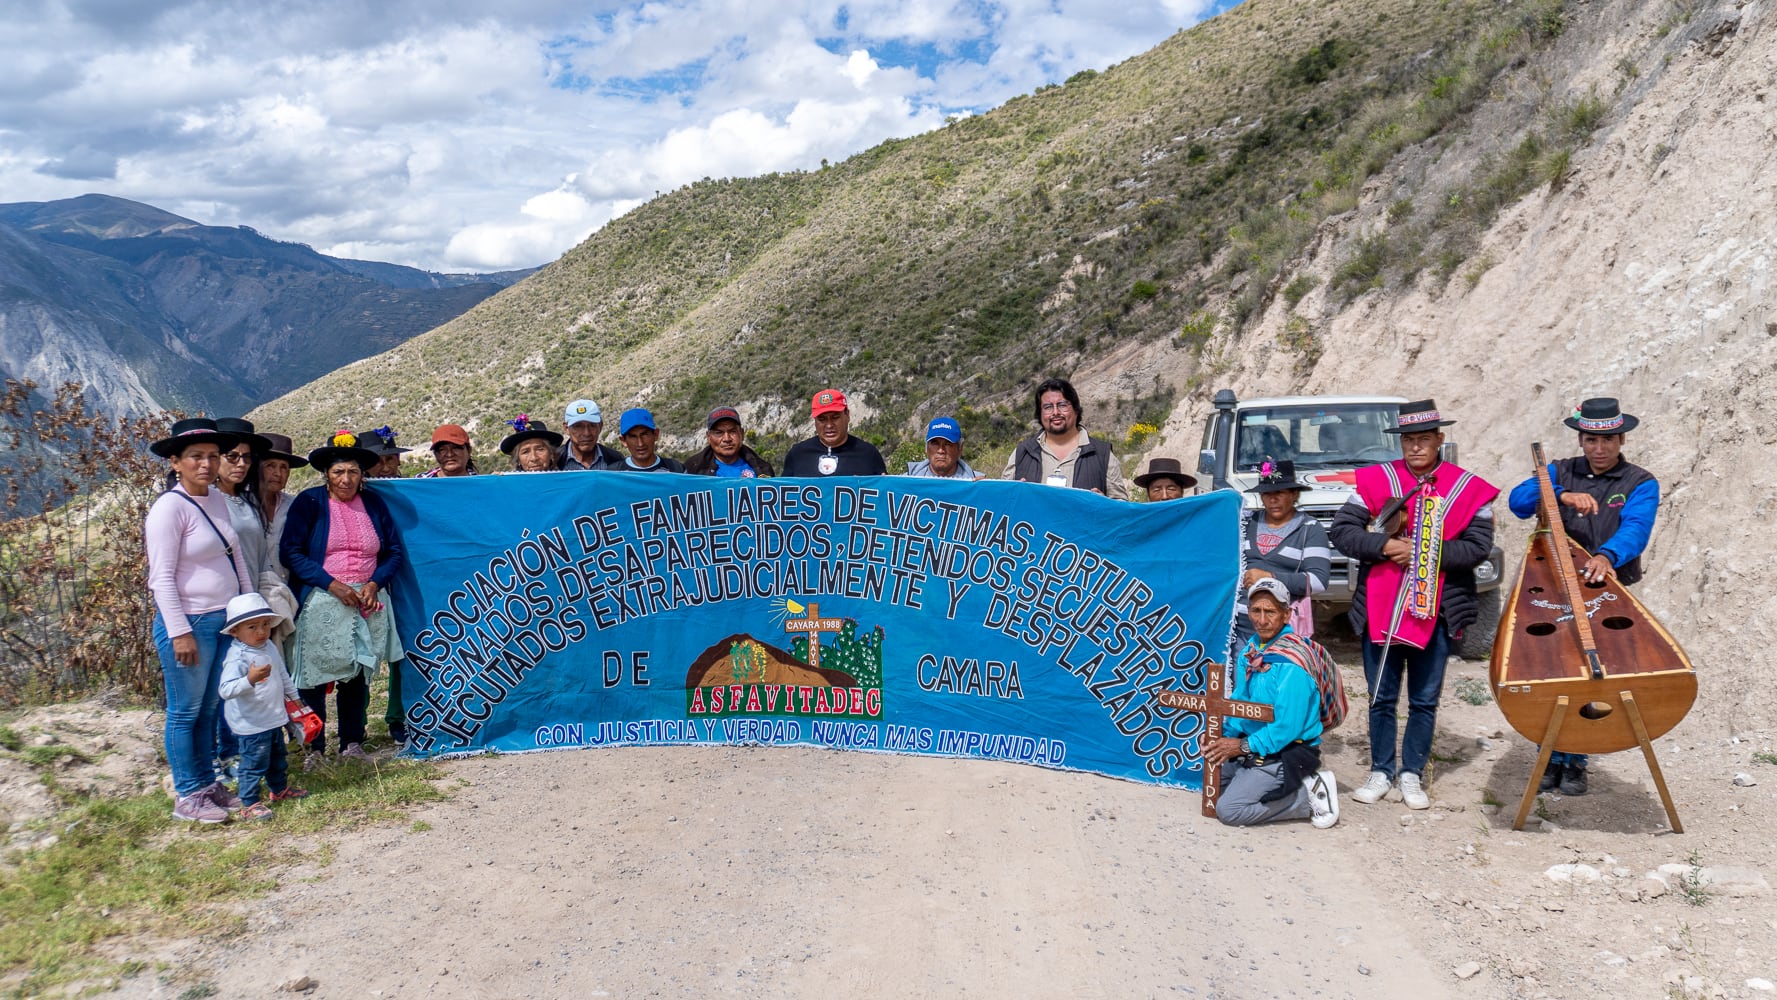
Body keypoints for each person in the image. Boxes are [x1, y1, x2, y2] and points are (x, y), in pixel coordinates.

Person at [1328, 399, 1498, 810]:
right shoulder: (1376, 480)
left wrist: (1423, 552)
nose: (1416, 447)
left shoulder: (1468, 489)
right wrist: (1385, 546)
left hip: (1436, 610)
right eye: (1408, 440)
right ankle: (1381, 769)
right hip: (1381, 607)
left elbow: (1477, 547)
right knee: (1381, 695)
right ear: (1400, 442)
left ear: (1440, 439)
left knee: (1424, 698)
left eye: (1424, 439)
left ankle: (1412, 772)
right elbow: (1343, 531)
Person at [1506, 397, 1658, 796]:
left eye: (1607, 440)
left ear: (1621, 440)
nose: (1599, 448)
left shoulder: (1640, 482)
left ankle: (1576, 760)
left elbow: (1637, 529)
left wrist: (1607, 556)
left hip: (1605, 591)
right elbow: (1517, 502)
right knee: (1552, 669)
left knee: (1594, 673)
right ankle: (1548, 756)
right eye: (1591, 440)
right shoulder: (1559, 470)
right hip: (1552, 588)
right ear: (1581, 440)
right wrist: (1559, 495)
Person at [145, 417, 252, 823]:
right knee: (185, 711)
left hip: (224, 619)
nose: (205, 464)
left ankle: (208, 784)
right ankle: (187, 792)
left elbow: (235, 558)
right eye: (195, 457)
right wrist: (180, 632)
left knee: (209, 709)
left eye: (211, 456)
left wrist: (247, 609)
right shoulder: (169, 509)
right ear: (175, 462)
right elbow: (161, 578)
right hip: (191, 622)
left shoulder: (216, 500)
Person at [280, 431, 407, 762]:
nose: (346, 479)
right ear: (326, 473)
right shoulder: (310, 502)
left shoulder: (374, 504)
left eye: (353, 471)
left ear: (362, 474)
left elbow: (393, 551)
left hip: (366, 600)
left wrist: (374, 583)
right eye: (339, 472)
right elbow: (291, 552)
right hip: (322, 598)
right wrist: (332, 584)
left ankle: (351, 742)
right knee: (313, 675)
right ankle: (314, 747)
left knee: (356, 673)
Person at [1202, 580, 1338, 828]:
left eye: (1270, 612)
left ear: (1286, 614)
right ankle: (1256, 779)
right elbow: (1240, 701)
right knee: (1209, 784)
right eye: (1256, 610)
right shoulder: (1253, 650)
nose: (1262, 620)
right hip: (1256, 745)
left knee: (1229, 810)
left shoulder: (1293, 663)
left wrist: (1240, 746)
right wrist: (1222, 736)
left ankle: (1308, 796)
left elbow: (1287, 727)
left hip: (1286, 751)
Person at [216, 593, 308, 820]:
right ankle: (249, 802)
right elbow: (225, 690)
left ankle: (279, 789)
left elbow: (282, 674)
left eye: (265, 624)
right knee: (253, 762)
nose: (261, 631)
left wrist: (294, 696)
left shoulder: (268, 647)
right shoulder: (237, 657)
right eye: (252, 627)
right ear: (235, 631)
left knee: (278, 758)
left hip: (273, 717)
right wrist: (249, 680)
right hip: (252, 722)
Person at [1236, 460, 1331, 642]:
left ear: (1294, 494)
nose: (1273, 500)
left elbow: (1318, 581)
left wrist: (1270, 577)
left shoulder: (1310, 529)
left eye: (1279, 493)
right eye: (1267, 494)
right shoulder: (1246, 523)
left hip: (1284, 626)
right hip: (1240, 624)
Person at [1003, 378, 1129, 498]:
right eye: (1048, 407)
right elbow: (1000, 501)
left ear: (1076, 409)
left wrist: (1104, 504)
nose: (1055, 412)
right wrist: (1013, 497)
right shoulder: (1022, 453)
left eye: (1062, 405)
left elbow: (1121, 506)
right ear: (1040, 414)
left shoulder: (1102, 455)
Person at [781, 389, 887, 477]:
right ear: (815, 421)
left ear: (847, 415)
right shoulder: (797, 454)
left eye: (835, 417)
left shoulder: (868, 454)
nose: (829, 425)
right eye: (822, 419)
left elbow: (883, 491)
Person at [684, 406, 774, 477]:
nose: (727, 439)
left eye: (732, 432)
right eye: (719, 433)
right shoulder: (692, 470)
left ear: (742, 434)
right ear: (708, 437)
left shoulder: (763, 469)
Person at [904, 417, 983, 480]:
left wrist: (985, 490)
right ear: (926, 447)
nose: (941, 450)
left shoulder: (977, 483)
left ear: (960, 448)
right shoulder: (905, 482)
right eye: (935, 443)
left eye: (948, 444)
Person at [614, 409, 688, 473]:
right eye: (633, 436)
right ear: (624, 441)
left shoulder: (676, 469)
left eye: (644, 434)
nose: (640, 443)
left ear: (655, 434)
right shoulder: (613, 474)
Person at [560, 399, 625, 471]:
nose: (587, 433)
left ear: (600, 426)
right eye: (578, 426)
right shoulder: (555, 461)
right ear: (566, 428)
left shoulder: (615, 460)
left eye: (592, 425)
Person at [1132, 457, 1196, 501]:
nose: (1165, 497)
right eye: (1157, 490)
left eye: (1171, 489)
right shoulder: (1140, 517)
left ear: (1181, 492)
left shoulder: (1194, 516)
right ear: (1148, 494)